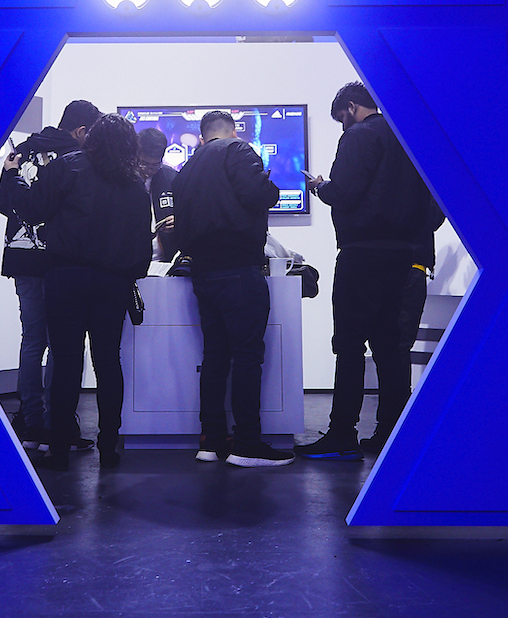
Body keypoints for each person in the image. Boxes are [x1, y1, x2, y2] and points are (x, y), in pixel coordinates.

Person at [296, 83, 444, 460]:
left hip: (361, 255)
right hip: (402, 257)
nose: (343, 127)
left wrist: (320, 187)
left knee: (348, 345)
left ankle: (342, 434)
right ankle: (390, 435)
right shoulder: (407, 138)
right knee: (390, 348)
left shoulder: (360, 137)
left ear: (350, 108)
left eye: (341, 119)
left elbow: (344, 192)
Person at [0, 114, 153, 470]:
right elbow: (142, 248)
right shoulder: (134, 185)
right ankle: (109, 445)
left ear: (92, 137)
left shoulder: (69, 167)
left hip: (66, 277)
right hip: (113, 283)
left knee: (66, 362)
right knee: (108, 362)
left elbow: (34, 210)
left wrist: (16, 179)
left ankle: (58, 447)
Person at [169, 110, 295, 467]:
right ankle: (247, 444)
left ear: (203, 133)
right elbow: (260, 194)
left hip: (203, 272)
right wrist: (268, 183)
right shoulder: (238, 151)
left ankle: (210, 440)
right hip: (238, 268)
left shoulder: (187, 169)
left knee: (215, 356)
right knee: (246, 356)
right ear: (234, 130)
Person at [0, 99, 101, 453]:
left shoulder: (23, 152)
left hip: (22, 258)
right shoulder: (76, 161)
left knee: (32, 339)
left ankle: (30, 420)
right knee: (65, 344)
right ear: (81, 131)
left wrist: (12, 176)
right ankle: (60, 422)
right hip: (60, 259)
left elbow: (1, 205)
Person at [138, 128, 179, 270]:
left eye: (155, 165)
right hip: (132, 261)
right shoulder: (123, 179)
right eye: (143, 163)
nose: (148, 170)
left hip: (166, 262)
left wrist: (179, 220)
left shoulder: (172, 178)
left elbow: (189, 213)